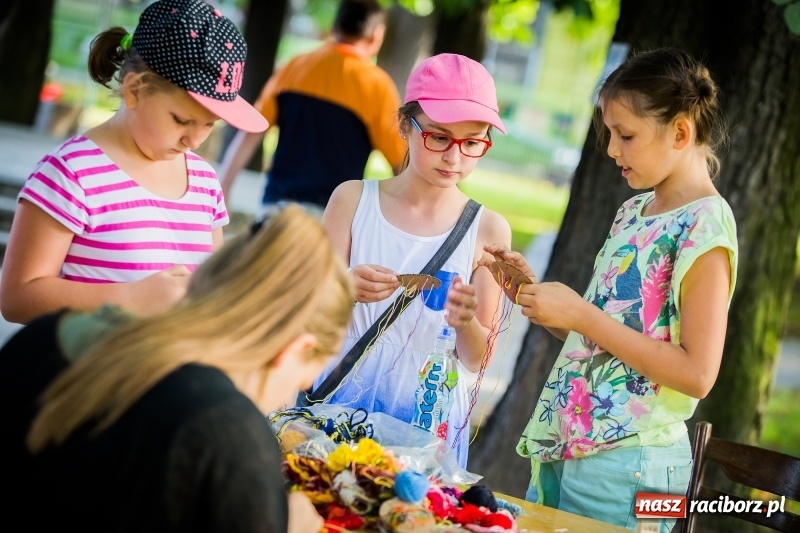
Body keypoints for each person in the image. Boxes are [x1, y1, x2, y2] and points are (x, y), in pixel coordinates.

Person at [484, 49, 738, 532]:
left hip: (631, 466)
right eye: (609, 133)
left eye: (626, 135)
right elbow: (606, 341)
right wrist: (541, 301)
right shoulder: (633, 211)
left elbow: (698, 374)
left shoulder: (706, 225)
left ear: (681, 133)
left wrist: (581, 315)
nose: (611, 149)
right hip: (568, 445)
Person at [1, 205, 353, 533]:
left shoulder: (47, 335)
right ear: (297, 348)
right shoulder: (228, 432)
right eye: (313, 369)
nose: (306, 382)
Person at [0, 0, 268, 325]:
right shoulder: (71, 173)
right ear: (134, 90)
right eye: (181, 120)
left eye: (210, 125)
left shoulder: (204, 181)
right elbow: (17, 297)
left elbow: (207, 286)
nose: (195, 141)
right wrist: (128, 298)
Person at [310, 53, 512, 468]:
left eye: (473, 143)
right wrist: (344, 286)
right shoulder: (351, 200)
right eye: (438, 137)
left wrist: (466, 320)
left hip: (426, 418)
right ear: (405, 125)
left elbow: (477, 358)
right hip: (339, 400)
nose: (454, 158)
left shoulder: (489, 229)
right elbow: (306, 311)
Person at [217, 0, 405, 216]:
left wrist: (225, 188)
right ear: (377, 35)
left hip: (278, 206)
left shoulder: (295, 67)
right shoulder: (378, 87)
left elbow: (251, 133)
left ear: (335, 27)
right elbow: (400, 163)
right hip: (334, 216)